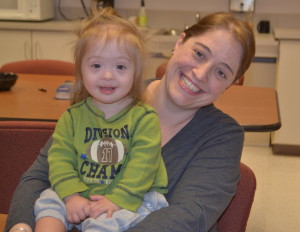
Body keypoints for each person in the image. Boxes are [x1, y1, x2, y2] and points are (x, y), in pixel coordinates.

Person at [5, 11, 255, 232]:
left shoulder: (223, 136)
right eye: (199, 53)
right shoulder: (104, 96)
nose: (201, 74)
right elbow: (39, 177)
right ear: (179, 42)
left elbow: (188, 217)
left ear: (231, 83)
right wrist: (22, 226)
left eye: (221, 72)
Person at [33, 6, 168, 232]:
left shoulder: (144, 118)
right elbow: (60, 158)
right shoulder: (72, 117)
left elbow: (143, 166)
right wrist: (71, 196)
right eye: (96, 65)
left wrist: (116, 200)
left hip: (132, 196)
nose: (107, 75)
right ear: (81, 70)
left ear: (135, 72)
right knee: (48, 202)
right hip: (81, 192)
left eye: (120, 66)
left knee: (108, 222)